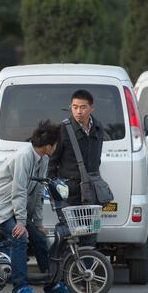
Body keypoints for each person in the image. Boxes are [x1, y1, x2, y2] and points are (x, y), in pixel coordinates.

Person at [0, 120, 70, 293]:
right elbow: (19, 190)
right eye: (55, 144)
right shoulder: (25, 156)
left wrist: (37, 223)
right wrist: (22, 224)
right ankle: (20, 287)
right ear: (48, 145)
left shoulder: (43, 159)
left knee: (40, 238)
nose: (56, 148)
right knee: (20, 237)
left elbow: (39, 191)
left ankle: (52, 284)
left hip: (13, 207)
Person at [47, 89, 105, 245]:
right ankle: (63, 267)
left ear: (92, 108)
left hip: (91, 190)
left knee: (91, 232)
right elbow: (52, 162)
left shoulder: (98, 128)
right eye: (75, 107)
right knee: (68, 234)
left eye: (83, 107)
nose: (78, 111)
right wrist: (54, 189)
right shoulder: (64, 129)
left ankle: (86, 268)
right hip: (69, 190)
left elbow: (96, 159)